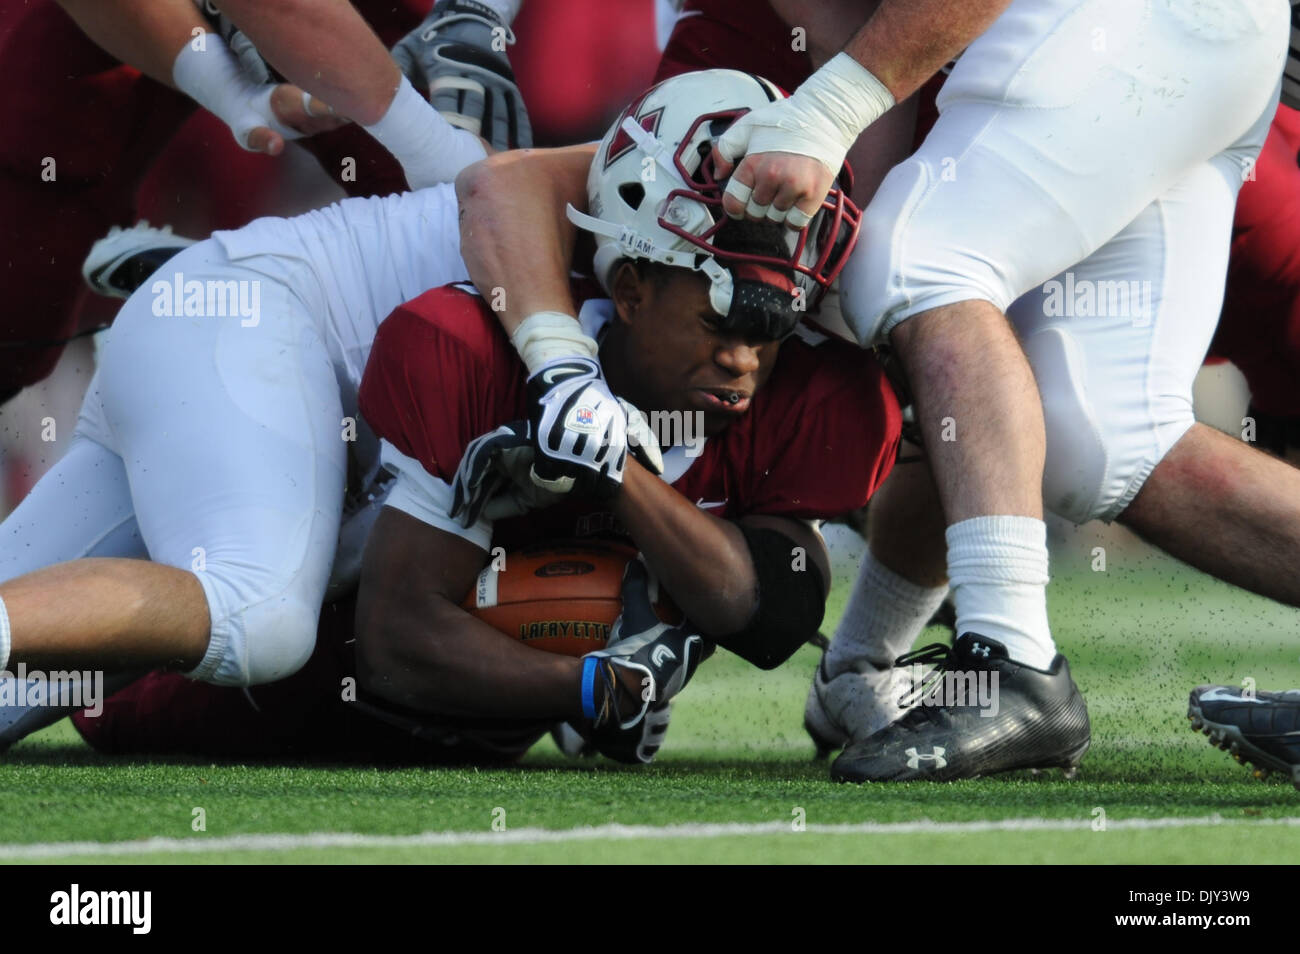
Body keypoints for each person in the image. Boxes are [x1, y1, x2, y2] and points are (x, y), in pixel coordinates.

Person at [457, 0, 1294, 781]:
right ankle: (877, 666)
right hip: (1179, 46)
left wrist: (829, 112)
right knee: (1096, 440)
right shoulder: (764, 56)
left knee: (919, 265)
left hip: (1131, 30)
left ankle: (1015, 662)